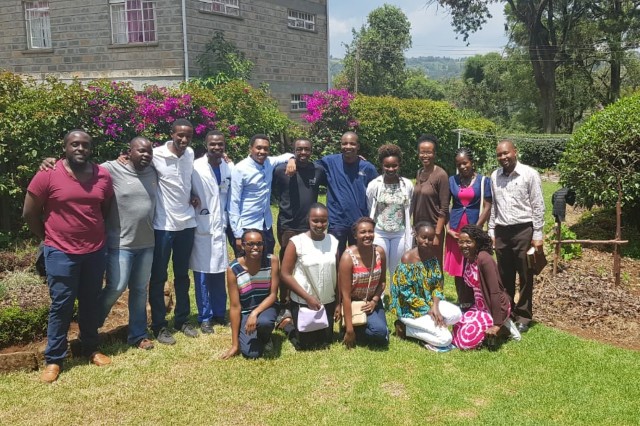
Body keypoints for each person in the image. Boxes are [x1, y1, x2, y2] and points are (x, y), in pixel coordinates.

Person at [23, 130, 114, 383]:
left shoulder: (102, 175)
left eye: (85, 145)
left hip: (94, 251)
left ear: (91, 149)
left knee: (90, 302)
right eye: (74, 144)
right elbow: (30, 213)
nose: (80, 148)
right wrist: (49, 238)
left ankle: (91, 348)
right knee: (61, 305)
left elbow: (105, 209)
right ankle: (54, 359)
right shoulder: (48, 174)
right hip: (61, 252)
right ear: (65, 148)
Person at [98, 137, 157, 350]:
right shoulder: (112, 169)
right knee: (116, 286)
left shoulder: (153, 171)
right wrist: (53, 163)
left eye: (149, 151)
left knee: (140, 289)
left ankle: (138, 335)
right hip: (120, 243)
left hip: (147, 243)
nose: (146, 155)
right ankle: (90, 326)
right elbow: (84, 169)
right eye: (141, 151)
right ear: (129, 152)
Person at [148, 118, 200, 344]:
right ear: (171, 134)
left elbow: (184, 183)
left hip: (187, 223)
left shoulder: (190, 154)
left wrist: (192, 195)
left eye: (188, 136)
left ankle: (182, 319)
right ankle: (159, 325)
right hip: (163, 226)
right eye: (180, 135)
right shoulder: (156, 154)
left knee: (182, 276)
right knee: (159, 276)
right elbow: (133, 162)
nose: (184, 139)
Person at [488, 141, 545, 333]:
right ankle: (508, 312)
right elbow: (494, 206)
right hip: (502, 231)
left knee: (526, 275)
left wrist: (537, 234)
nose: (503, 157)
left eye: (506, 153)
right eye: (499, 155)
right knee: (504, 275)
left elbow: (538, 205)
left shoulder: (529, 174)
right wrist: (491, 231)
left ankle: (524, 316)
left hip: (524, 231)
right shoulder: (495, 176)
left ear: (515, 152)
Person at [272, 137, 327, 326]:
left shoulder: (318, 170)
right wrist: (290, 160)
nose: (303, 152)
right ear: (293, 150)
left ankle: (304, 299)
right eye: (299, 149)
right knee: (287, 266)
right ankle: (285, 304)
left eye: (306, 149)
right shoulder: (280, 170)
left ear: (311, 151)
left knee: (308, 264)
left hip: (310, 226)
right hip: (288, 225)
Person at [390, 222, 462, 352]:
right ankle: (405, 329)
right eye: (423, 237)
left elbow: (437, 285)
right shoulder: (407, 259)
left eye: (430, 238)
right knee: (445, 339)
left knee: (457, 314)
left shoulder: (432, 257)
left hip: (429, 303)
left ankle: (432, 324)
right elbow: (405, 293)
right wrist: (429, 310)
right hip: (409, 309)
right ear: (416, 236)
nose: (426, 242)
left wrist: (435, 307)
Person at [190, 130, 233, 333]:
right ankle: (204, 317)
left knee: (218, 272)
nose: (216, 147)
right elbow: (184, 186)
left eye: (220, 144)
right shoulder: (195, 167)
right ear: (206, 145)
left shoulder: (228, 166)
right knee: (202, 274)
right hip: (202, 225)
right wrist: (190, 196)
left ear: (224, 146)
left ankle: (219, 313)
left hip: (220, 226)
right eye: (212, 144)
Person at [280, 203, 340, 350]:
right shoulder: (297, 242)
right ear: (308, 220)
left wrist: (338, 303)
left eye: (323, 221)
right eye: (315, 221)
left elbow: (338, 273)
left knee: (326, 340)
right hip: (304, 302)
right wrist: (308, 298)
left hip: (327, 301)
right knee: (304, 345)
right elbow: (285, 274)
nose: (319, 225)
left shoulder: (333, 241)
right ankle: (286, 325)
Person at [453, 225, 521, 350]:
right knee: (457, 331)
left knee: (466, 342)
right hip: (479, 307)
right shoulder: (468, 258)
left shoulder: (484, 259)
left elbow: (495, 292)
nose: (464, 245)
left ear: (477, 243)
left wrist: (497, 324)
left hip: (493, 307)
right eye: (461, 242)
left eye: (468, 242)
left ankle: (504, 329)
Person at [229, 134, 296, 256]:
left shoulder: (269, 162)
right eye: (258, 148)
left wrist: (292, 160)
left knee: (267, 259)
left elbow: (287, 155)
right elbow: (233, 202)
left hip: (266, 223)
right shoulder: (240, 169)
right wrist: (238, 235)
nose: (262, 151)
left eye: (266, 148)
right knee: (248, 262)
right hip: (247, 224)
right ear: (250, 149)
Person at [317, 132, 378, 259]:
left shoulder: (367, 168)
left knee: (359, 258)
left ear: (358, 146)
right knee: (335, 257)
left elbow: (377, 193)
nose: (348, 147)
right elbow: (306, 165)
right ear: (340, 145)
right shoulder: (330, 162)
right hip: (337, 220)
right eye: (345, 143)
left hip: (360, 221)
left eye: (352, 144)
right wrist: (292, 159)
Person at [444, 147, 492, 308]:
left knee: (473, 264)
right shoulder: (452, 181)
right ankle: (462, 301)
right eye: (459, 164)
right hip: (456, 231)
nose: (462, 167)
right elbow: (445, 206)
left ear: (472, 162)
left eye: (465, 163)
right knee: (458, 268)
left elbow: (487, 207)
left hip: (474, 229)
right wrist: (448, 229)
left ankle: (476, 300)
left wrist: (475, 230)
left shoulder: (483, 181)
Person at [221, 229, 279, 359]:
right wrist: (235, 345)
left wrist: (254, 313)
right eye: (250, 244)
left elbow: (273, 295)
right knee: (251, 354)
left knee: (264, 322)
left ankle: (266, 338)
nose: (255, 247)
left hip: (267, 307)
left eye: (259, 243)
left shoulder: (272, 261)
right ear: (242, 246)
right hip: (246, 311)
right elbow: (235, 306)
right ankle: (250, 334)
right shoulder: (233, 269)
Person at [339, 217, 389, 348]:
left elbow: (382, 282)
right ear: (355, 235)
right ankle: (350, 327)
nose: (367, 235)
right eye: (363, 232)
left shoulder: (379, 252)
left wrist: (374, 301)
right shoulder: (347, 257)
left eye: (370, 231)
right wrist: (349, 330)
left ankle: (359, 326)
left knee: (383, 336)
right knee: (379, 333)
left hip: (372, 301)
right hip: (354, 303)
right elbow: (345, 296)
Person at [366, 144, 413, 277]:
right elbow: (370, 207)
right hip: (380, 233)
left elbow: (409, 208)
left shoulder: (407, 185)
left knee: (397, 270)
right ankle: (379, 292)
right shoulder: (374, 185)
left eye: (394, 165)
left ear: (399, 165)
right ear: (382, 165)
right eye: (387, 166)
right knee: (379, 269)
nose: (391, 169)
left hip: (400, 233)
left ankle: (394, 291)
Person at [410, 134, 449, 270]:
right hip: (418, 229)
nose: (425, 155)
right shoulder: (419, 172)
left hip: (433, 229)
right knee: (418, 266)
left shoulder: (441, 175)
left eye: (429, 152)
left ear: (435, 154)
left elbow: (444, 208)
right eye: (422, 152)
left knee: (434, 268)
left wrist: (437, 235)